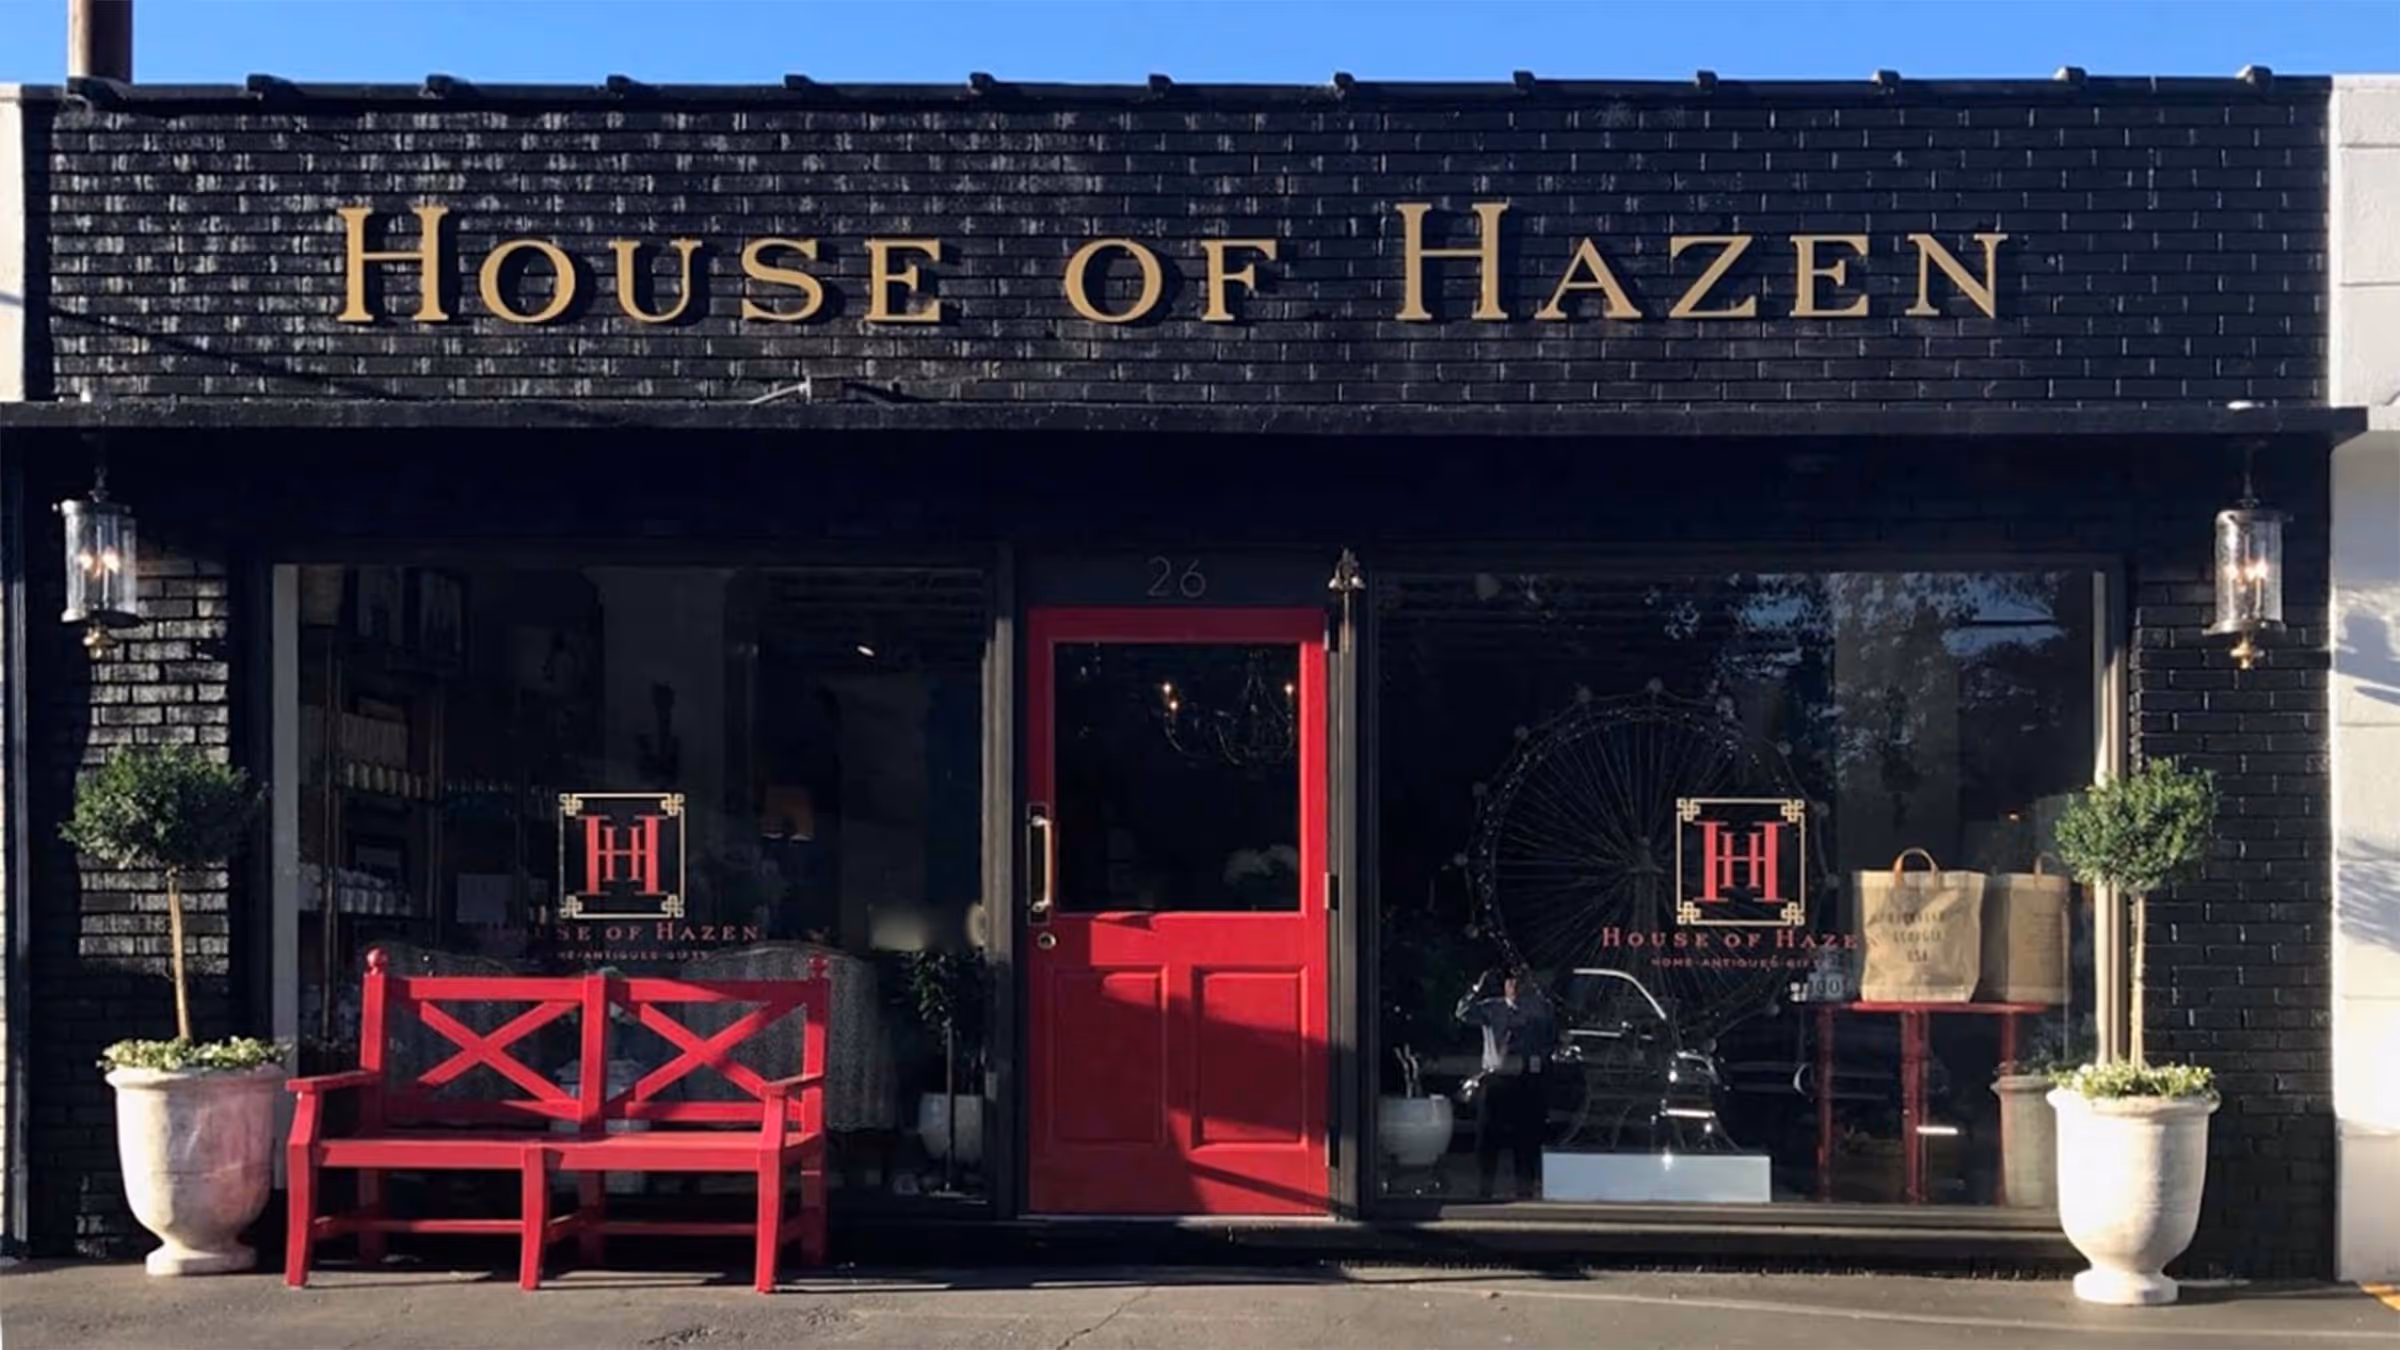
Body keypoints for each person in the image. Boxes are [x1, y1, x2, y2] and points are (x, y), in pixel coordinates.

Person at [1455, 962, 1557, 1201]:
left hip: (1526, 1080)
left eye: (1520, 982)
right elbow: (1463, 1012)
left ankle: (1525, 1190)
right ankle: (1485, 1189)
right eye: (1511, 981)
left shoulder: (1537, 1010)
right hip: (1497, 1079)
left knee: (1527, 1140)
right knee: (1488, 1139)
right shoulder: (1492, 1009)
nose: (1515, 987)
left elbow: (1551, 1021)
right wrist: (1478, 986)